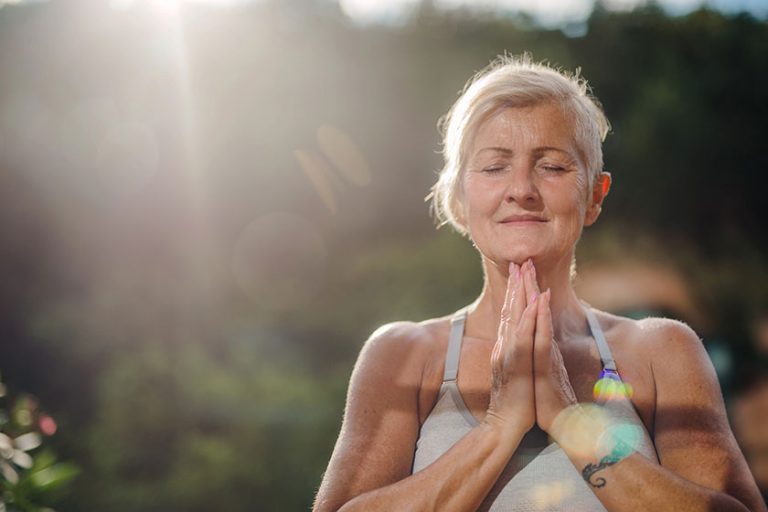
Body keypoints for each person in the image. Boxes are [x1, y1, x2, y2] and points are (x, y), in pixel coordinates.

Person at [312, 55, 766, 511]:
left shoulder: (662, 351)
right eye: (494, 167)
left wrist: (567, 418)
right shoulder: (403, 355)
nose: (522, 189)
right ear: (458, 198)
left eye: (551, 167)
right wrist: (498, 427)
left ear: (594, 196)